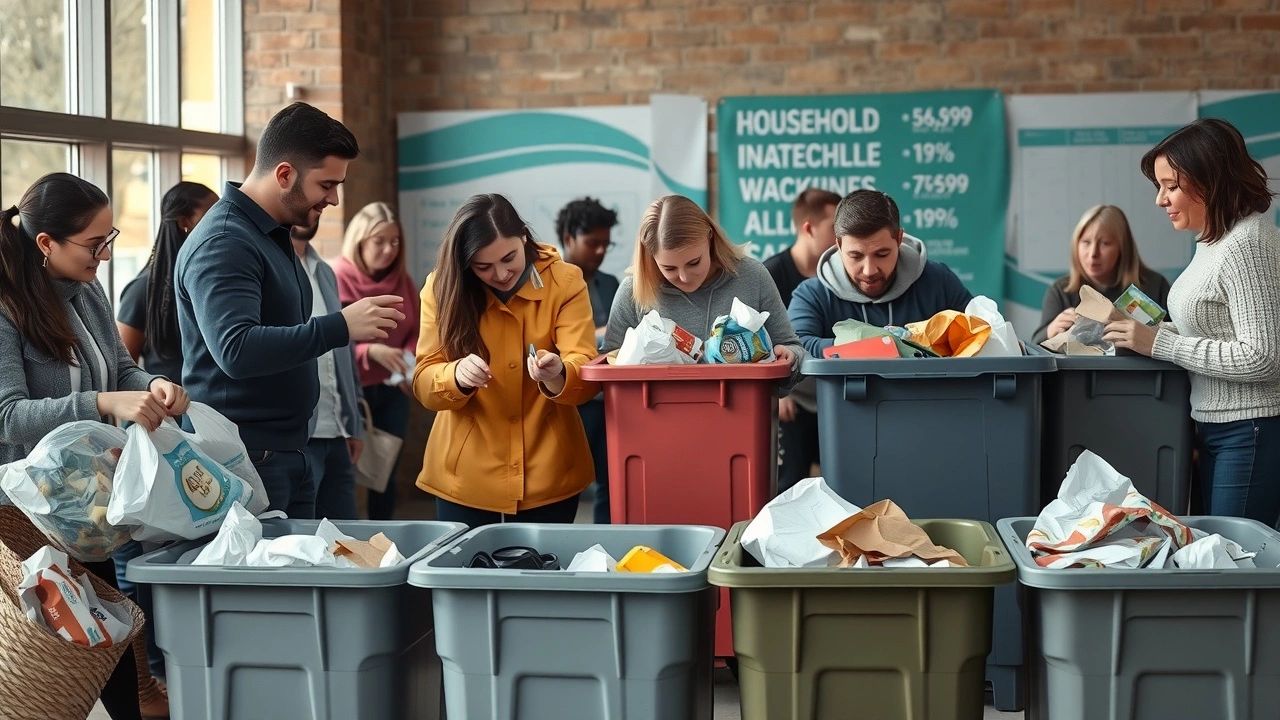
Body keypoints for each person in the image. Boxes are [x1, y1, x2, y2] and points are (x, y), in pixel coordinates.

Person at [0, 173, 192, 720]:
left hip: (85, 509)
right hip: (20, 515)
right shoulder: (5, 307)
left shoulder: (86, 291)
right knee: (37, 672)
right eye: (93, 244)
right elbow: (6, 416)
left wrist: (150, 387)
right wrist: (104, 403)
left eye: (109, 240)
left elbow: (122, 368)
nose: (105, 255)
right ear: (46, 243)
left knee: (111, 648)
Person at [175, 102, 404, 519]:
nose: (334, 199)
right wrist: (341, 326)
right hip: (247, 457)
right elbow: (236, 350)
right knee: (264, 585)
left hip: (284, 451)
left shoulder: (269, 233)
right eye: (326, 185)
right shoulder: (226, 241)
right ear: (284, 175)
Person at [1106, 118, 1280, 528]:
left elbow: (1264, 357)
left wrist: (1158, 344)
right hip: (1216, 428)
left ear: (1209, 180)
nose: (1160, 200)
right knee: (1215, 557)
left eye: (1171, 185)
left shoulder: (1248, 243)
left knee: (1229, 563)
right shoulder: (1214, 241)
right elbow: (1212, 334)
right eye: (1159, 187)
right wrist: (1137, 333)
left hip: (1250, 429)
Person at [414, 193, 600, 526]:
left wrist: (559, 373)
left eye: (509, 258)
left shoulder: (566, 281)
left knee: (541, 577)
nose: (500, 274)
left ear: (524, 238)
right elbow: (425, 382)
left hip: (550, 473)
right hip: (464, 477)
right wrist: (454, 375)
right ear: (465, 262)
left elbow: (584, 372)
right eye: (483, 266)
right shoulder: (440, 288)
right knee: (465, 578)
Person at [602, 195, 805, 392]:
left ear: (709, 237)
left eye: (694, 263)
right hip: (656, 421)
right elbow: (606, 367)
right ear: (650, 256)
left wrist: (790, 357)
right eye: (669, 268)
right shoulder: (634, 291)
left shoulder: (752, 277)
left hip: (738, 420)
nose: (684, 277)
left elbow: (793, 348)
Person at [788, 189, 974, 358]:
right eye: (855, 256)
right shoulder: (812, 294)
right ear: (839, 245)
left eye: (882, 254)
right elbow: (796, 346)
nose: (869, 270)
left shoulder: (938, 281)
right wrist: (859, 344)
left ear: (899, 239)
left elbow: (978, 334)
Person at [332, 202, 420, 520]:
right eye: (379, 241)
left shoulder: (402, 279)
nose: (388, 250)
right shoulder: (337, 276)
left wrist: (409, 364)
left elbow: (415, 328)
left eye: (395, 242)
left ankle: (383, 536)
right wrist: (370, 351)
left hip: (393, 390)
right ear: (359, 241)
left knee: (385, 473)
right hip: (350, 392)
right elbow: (331, 339)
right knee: (344, 472)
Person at [764, 188, 841, 492]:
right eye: (835, 227)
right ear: (809, 228)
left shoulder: (840, 274)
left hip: (835, 398)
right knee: (788, 484)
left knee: (840, 484)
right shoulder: (770, 275)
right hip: (791, 402)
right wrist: (778, 393)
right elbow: (756, 340)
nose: (842, 236)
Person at [291, 221, 365, 520]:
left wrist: (353, 419)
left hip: (336, 432)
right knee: (304, 543)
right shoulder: (271, 267)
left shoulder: (324, 270)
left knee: (347, 540)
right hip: (299, 438)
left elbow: (343, 348)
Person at [555, 197, 620, 524]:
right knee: (565, 485)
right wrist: (600, 334)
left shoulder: (611, 284)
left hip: (609, 397)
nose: (600, 251)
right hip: (569, 398)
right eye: (592, 243)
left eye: (606, 244)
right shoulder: (548, 284)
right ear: (568, 238)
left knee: (613, 482)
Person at [116, 181, 219, 380]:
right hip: (168, 406)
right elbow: (123, 371)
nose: (220, 220)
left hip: (214, 404)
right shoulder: (141, 290)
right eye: (211, 214)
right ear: (183, 222)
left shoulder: (210, 278)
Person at [1032, 204, 1172, 344]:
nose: (1093, 253)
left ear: (1123, 247)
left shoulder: (1155, 286)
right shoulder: (1061, 291)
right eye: (1086, 242)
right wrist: (1050, 330)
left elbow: (1174, 341)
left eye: (1105, 243)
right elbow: (1035, 344)